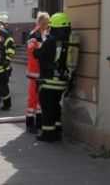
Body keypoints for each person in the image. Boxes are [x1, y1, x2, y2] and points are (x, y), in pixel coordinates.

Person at [33, 13, 72, 142]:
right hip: (61, 81)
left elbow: (37, 54)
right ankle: (57, 132)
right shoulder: (69, 41)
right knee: (55, 106)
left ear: (55, 26)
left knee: (47, 107)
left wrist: (39, 44)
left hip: (49, 81)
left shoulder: (51, 41)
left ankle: (48, 134)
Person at [25, 12, 50, 134]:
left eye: (47, 23)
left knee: (42, 99)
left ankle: (39, 121)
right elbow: (33, 52)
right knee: (33, 98)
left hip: (43, 71)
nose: (45, 26)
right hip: (35, 71)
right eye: (44, 23)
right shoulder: (32, 35)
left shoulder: (46, 33)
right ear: (39, 23)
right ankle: (29, 122)